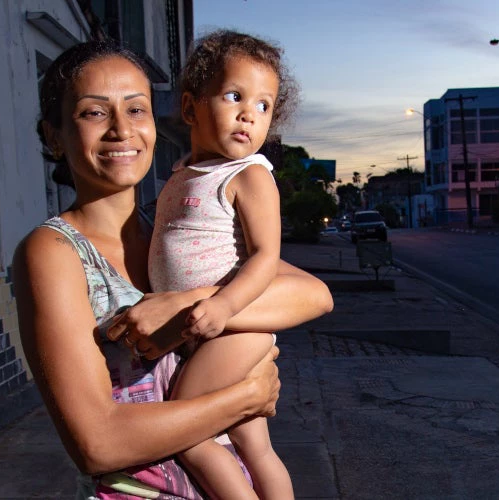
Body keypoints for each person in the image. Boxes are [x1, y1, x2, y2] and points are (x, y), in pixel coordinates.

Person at [13, 39, 332, 500]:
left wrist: (183, 304)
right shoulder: (53, 252)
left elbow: (313, 295)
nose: (122, 130)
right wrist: (246, 397)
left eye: (137, 110)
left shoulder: (175, 229)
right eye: (93, 113)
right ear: (54, 135)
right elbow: (97, 444)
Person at [145, 30, 296, 500]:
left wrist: (225, 306)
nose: (250, 113)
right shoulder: (185, 173)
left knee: (189, 432)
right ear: (191, 108)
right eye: (235, 96)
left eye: (264, 105)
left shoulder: (249, 175)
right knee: (255, 446)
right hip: (208, 333)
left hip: (234, 329)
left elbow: (267, 257)